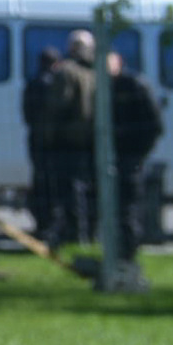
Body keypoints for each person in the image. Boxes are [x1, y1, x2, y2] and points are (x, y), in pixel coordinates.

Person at [41, 30, 99, 246]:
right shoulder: (98, 73)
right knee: (91, 190)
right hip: (93, 142)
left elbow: (58, 106)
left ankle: (75, 234)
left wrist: (48, 137)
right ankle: (89, 233)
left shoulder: (66, 72)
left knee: (69, 192)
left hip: (67, 141)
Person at [108, 50, 164, 260]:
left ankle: (128, 251)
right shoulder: (104, 87)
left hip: (130, 157)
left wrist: (138, 152)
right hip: (110, 157)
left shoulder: (135, 85)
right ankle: (113, 251)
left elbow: (154, 125)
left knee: (127, 205)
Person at [23, 47, 64, 245]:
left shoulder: (32, 84)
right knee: (53, 187)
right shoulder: (56, 84)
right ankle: (51, 227)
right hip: (54, 143)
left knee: (40, 184)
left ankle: (40, 225)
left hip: (36, 141)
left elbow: (27, 115)